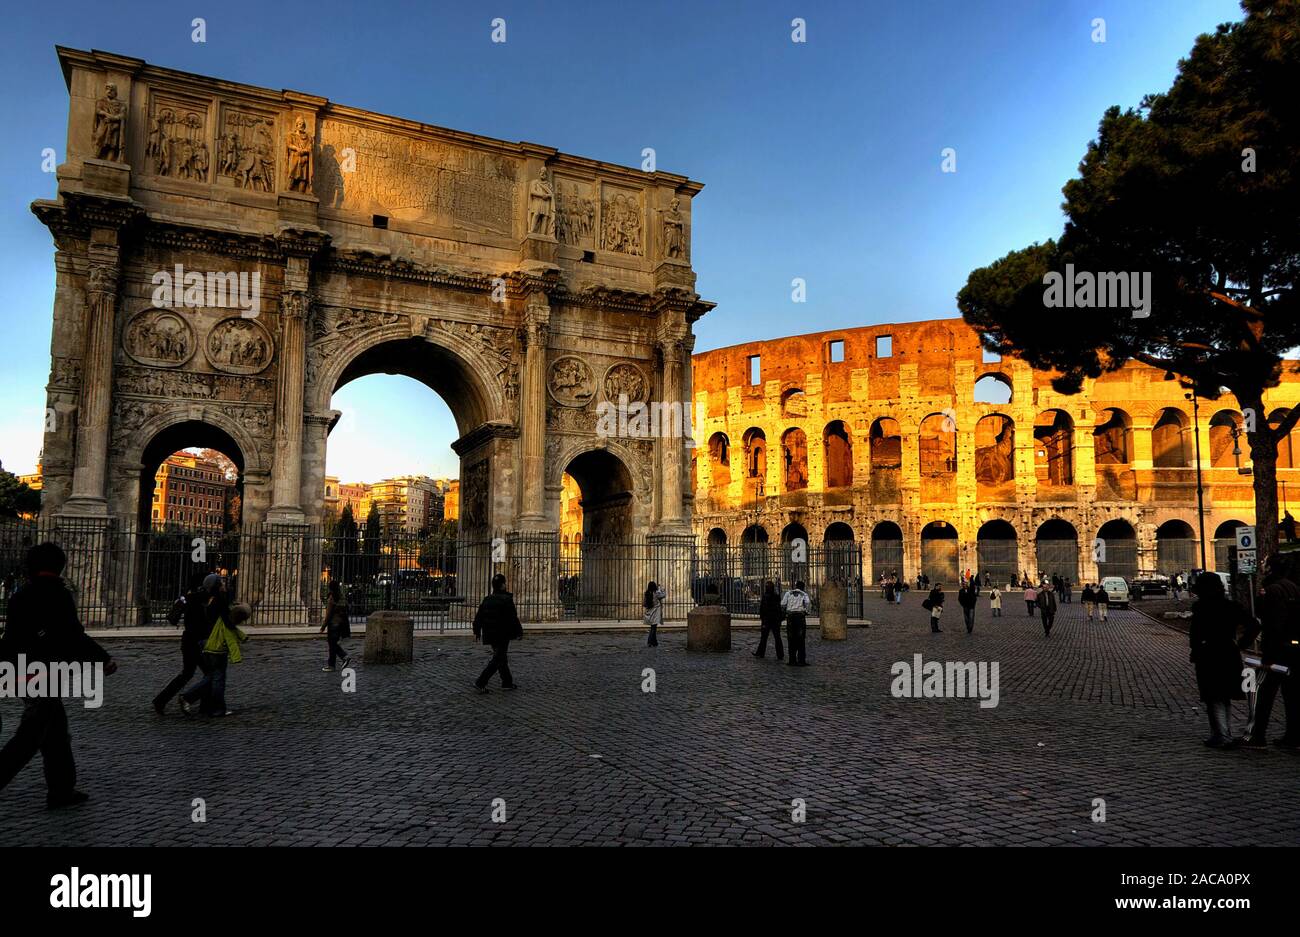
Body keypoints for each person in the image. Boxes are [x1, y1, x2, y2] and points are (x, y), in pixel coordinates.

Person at [0, 543, 117, 809]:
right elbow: (71, 635)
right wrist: (102, 659)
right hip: (44, 673)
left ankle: (61, 790)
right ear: (60, 565)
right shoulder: (58, 596)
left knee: (55, 733)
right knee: (30, 738)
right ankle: (60, 790)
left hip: (19, 670)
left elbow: (11, 638)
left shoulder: (20, 595)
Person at [1239, 557, 1300, 749]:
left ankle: (1257, 736)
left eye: (1264, 563)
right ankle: (1293, 737)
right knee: (1292, 695)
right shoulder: (1295, 588)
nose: (1261, 566)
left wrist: (1243, 643)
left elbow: (1264, 622)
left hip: (1275, 651)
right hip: (1295, 649)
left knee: (1262, 693)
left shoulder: (1271, 591)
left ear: (1270, 568)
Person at [1188, 572, 1251, 748]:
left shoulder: (1201, 607)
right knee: (1223, 695)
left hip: (1208, 654)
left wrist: (1195, 649)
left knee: (1213, 695)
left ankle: (1221, 735)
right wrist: (1242, 643)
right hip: (1229, 652)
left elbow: (1195, 633)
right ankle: (1224, 732)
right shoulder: (1231, 606)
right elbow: (1253, 624)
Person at [180, 581, 250, 717]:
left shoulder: (209, 602)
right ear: (217, 587)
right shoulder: (220, 603)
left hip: (206, 642)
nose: (225, 585)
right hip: (217, 645)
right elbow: (228, 625)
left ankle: (200, 704)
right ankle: (214, 707)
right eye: (222, 583)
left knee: (212, 677)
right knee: (217, 679)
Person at [152, 571, 214, 714]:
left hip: (188, 640)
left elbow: (173, 619)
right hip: (201, 641)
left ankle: (161, 700)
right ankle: (192, 700)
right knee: (211, 674)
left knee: (188, 673)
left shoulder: (187, 598)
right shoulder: (205, 598)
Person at [472, 573, 523, 692]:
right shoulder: (506, 599)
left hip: (489, 633)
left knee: (501, 657)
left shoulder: (487, 599)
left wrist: (477, 631)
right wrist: (519, 631)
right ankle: (481, 682)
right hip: (502, 633)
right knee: (498, 658)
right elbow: (513, 618)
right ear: (502, 585)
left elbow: (479, 617)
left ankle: (507, 682)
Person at [320, 580, 352, 672]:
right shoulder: (341, 597)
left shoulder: (331, 598)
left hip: (333, 623)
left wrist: (323, 626)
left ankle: (335, 663)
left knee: (332, 645)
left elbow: (328, 614)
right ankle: (341, 659)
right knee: (333, 644)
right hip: (341, 623)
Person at [781, 580, 811, 666]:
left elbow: (783, 604)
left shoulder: (788, 593)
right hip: (800, 617)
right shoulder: (804, 594)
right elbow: (808, 603)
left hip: (790, 617)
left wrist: (786, 611)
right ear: (803, 587)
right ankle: (801, 660)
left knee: (791, 639)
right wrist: (806, 612)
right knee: (801, 639)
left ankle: (792, 660)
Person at [755, 580, 784, 660]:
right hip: (775, 620)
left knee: (764, 638)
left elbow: (763, 609)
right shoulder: (777, 596)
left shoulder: (765, 596)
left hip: (767, 620)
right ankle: (780, 654)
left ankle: (761, 653)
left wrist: (762, 619)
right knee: (777, 637)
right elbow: (779, 609)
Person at [642, 580, 666, 647]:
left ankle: (655, 642)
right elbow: (664, 595)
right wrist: (662, 589)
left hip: (649, 613)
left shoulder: (646, 593)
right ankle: (649, 642)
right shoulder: (656, 594)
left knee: (653, 628)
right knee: (653, 628)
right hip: (655, 613)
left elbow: (644, 604)